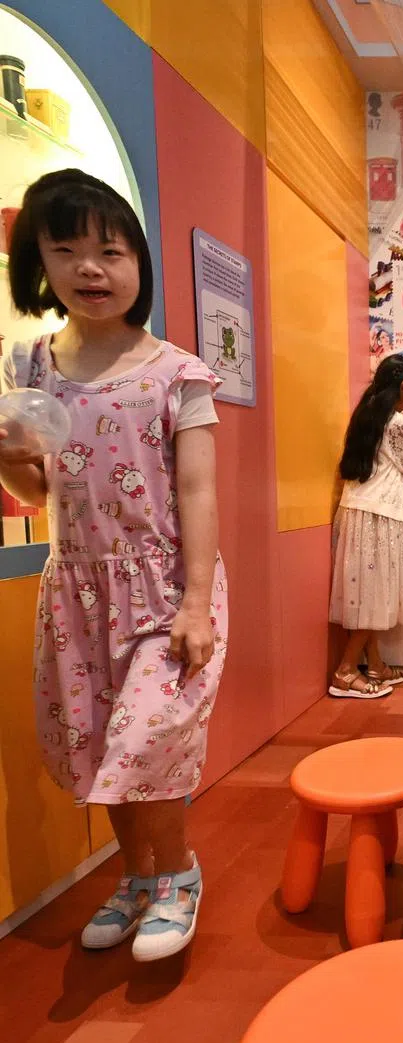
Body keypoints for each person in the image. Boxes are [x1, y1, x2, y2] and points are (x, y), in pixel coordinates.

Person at [0, 169, 228, 962]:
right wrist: (10, 460)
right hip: (76, 588)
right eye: (65, 250)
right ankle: (136, 877)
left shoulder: (179, 372)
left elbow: (197, 493)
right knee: (101, 749)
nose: (90, 269)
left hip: (165, 586)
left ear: (139, 263)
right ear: (39, 262)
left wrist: (195, 604)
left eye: (110, 251)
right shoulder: (30, 367)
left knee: (150, 741)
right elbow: (35, 488)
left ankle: (178, 878)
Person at [329, 354, 403, 697]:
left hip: (357, 508)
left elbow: (391, 455)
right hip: (383, 513)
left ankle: (376, 664)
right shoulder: (400, 420)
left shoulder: (367, 412)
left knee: (370, 595)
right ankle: (346, 671)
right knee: (378, 596)